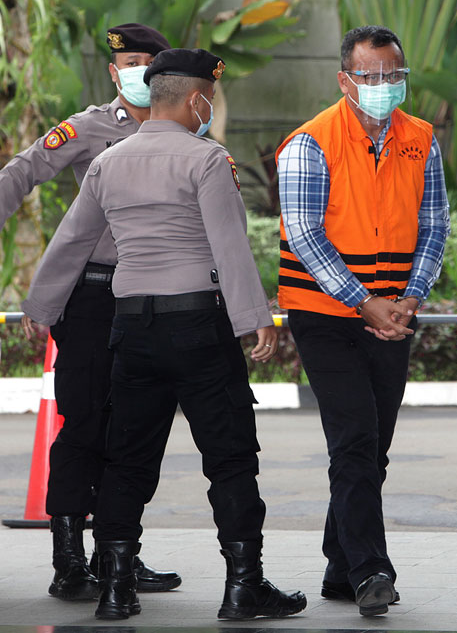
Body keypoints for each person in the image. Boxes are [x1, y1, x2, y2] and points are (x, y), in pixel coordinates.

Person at [20, 48, 306, 622]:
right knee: (229, 456)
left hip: (131, 327)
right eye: (211, 98)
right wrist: (255, 318)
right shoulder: (208, 159)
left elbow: (73, 239)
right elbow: (229, 243)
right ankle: (243, 586)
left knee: (126, 458)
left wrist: (41, 306)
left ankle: (116, 587)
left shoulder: (108, 161)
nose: (210, 108)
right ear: (197, 99)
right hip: (199, 326)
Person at [0, 23, 180, 600]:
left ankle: (118, 554)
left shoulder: (180, 130)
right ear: (114, 72)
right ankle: (69, 560)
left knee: (135, 431)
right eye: (129, 63)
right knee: (86, 426)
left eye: (148, 64)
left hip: (155, 300)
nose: (138, 73)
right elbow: (21, 172)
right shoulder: (90, 128)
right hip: (94, 297)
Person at [276, 25, 449, 616]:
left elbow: (434, 222)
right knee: (354, 437)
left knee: (374, 447)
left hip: (394, 313)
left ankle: (339, 565)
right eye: (370, 75)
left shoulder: (421, 138)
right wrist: (363, 300)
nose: (382, 84)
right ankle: (372, 569)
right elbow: (304, 233)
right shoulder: (310, 143)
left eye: (393, 75)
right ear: (344, 80)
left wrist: (411, 297)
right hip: (324, 312)